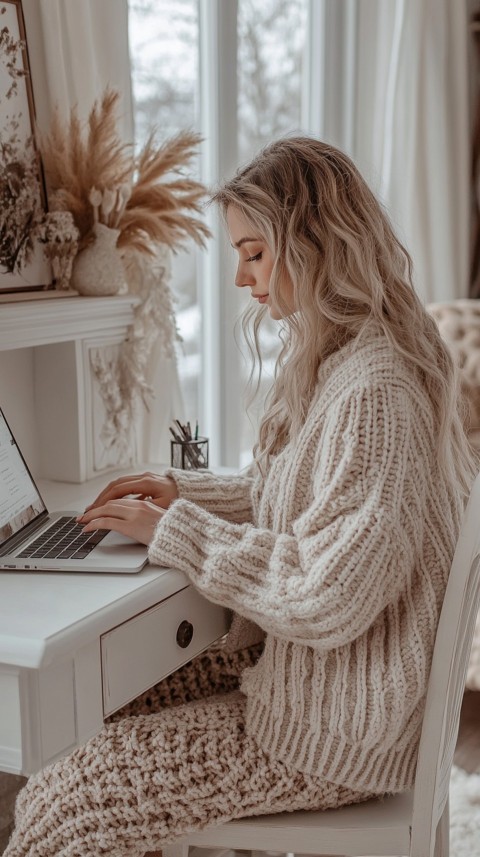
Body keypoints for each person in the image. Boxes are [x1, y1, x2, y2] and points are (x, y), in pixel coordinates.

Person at [5, 136, 477, 857]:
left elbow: (327, 591)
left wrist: (179, 531)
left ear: (316, 243)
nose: (238, 277)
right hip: (319, 685)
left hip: (329, 725)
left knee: (56, 804)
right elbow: (289, 494)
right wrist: (179, 490)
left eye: (253, 252)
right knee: (96, 716)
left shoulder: (375, 391)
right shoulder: (344, 355)